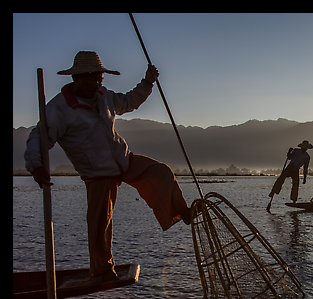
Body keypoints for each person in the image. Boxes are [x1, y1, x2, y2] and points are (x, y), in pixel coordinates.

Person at [24, 50, 191, 281]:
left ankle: (181, 211)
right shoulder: (60, 109)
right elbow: (39, 138)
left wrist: (147, 82)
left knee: (161, 172)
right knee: (100, 225)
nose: (97, 84)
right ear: (77, 78)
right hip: (97, 173)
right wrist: (37, 166)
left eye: (100, 79)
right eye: (93, 79)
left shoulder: (103, 95)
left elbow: (129, 101)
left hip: (123, 160)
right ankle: (102, 272)